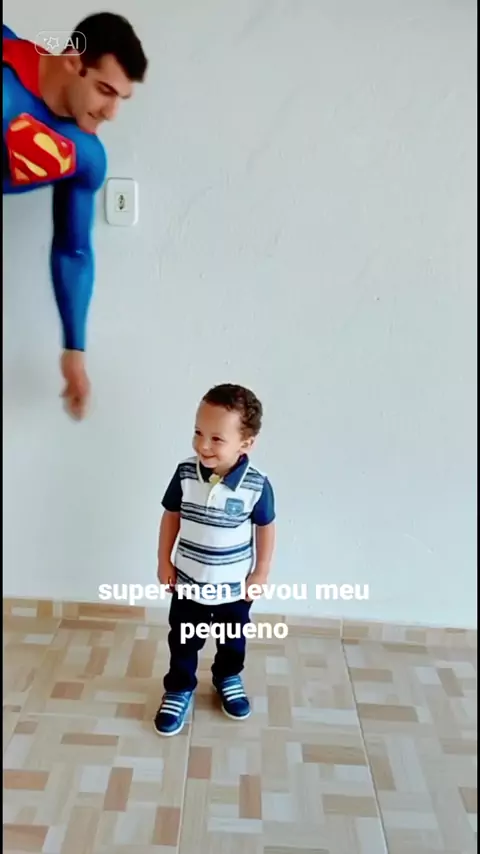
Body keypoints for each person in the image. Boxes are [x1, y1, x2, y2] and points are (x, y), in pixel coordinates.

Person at [3, 14, 147, 419]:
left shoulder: (84, 157)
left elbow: (74, 250)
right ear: (72, 60)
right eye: (104, 90)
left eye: (121, 98)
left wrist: (74, 350)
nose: (111, 113)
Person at [154, 383, 276, 736]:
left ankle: (227, 677)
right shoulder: (185, 474)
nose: (202, 445)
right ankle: (179, 687)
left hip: (234, 589)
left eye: (217, 438)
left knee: (232, 639)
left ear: (245, 444)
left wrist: (260, 573)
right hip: (188, 583)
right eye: (198, 432)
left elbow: (266, 527)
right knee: (183, 640)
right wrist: (164, 561)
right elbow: (171, 515)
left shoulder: (256, 485)